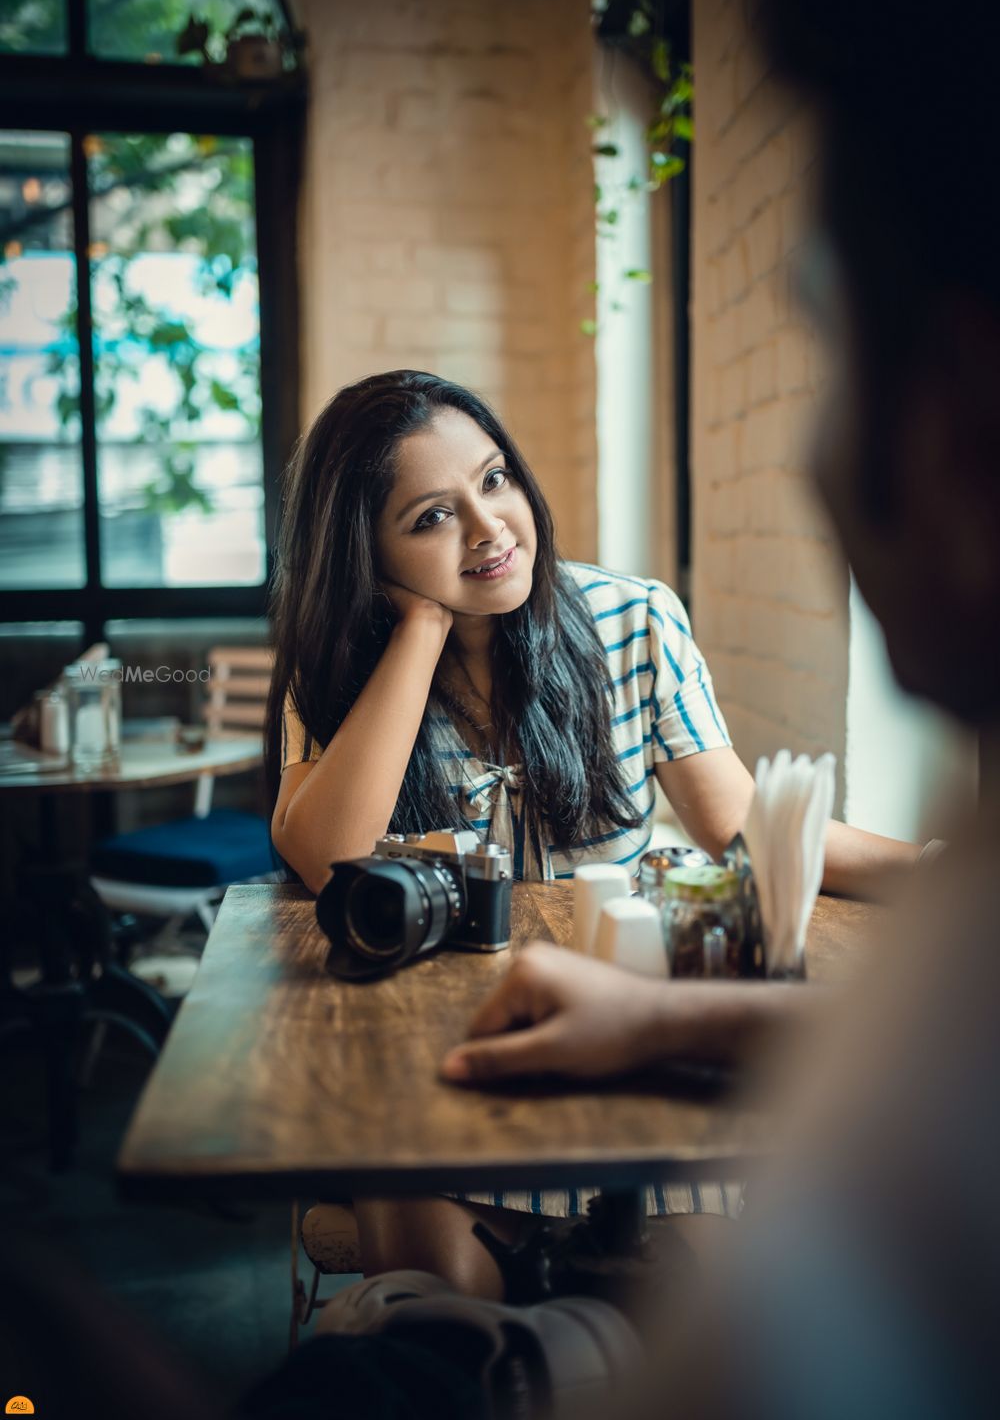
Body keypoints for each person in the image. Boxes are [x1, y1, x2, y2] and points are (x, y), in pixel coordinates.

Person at [432, 0, 1000, 1412]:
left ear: (956, 416)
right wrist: (676, 1012)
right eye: (432, 509)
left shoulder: (628, 616)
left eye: (823, 338)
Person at [265, 368, 916, 1296]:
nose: (490, 528)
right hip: (440, 1063)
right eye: (430, 517)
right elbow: (328, 852)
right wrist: (419, 628)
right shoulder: (343, 666)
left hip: (617, 1057)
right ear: (363, 553)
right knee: (441, 1329)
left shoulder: (635, 618)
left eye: (495, 480)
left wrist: (934, 869)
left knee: (705, 1318)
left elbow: (739, 829)